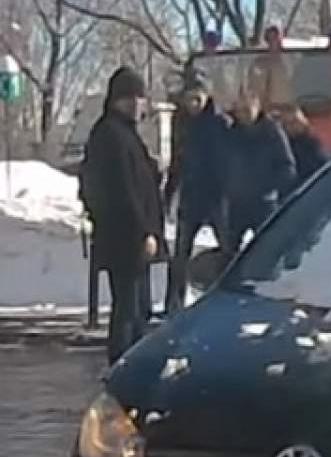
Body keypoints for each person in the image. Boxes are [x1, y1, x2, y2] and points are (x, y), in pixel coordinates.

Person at [78, 67, 166, 363]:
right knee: (129, 311)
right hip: (126, 239)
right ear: (120, 100)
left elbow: (139, 179)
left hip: (127, 238)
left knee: (138, 310)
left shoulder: (123, 133)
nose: (141, 104)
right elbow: (124, 190)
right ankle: (123, 369)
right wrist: (144, 232)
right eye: (135, 98)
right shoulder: (112, 136)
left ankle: (134, 366)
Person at [164, 71, 233, 313]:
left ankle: (228, 299)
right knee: (180, 254)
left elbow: (229, 162)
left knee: (228, 250)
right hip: (191, 194)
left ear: (206, 97)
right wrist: (169, 193)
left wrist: (230, 191)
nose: (193, 104)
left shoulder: (220, 122)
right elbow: (177, 160)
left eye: (197, 98)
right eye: (188, 99)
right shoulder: (181, 122)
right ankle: (173, 305)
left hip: (216, 195)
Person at [226, 91, 297, 250]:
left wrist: (270, 188)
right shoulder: (231, 133)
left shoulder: (271, 131)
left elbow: (287, 166)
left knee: (267, 248)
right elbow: (221, 164)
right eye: (240, 110)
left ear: (257, 107)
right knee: (229, 251)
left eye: (247, 110)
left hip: (263, 204)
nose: (243, 115)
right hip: (237, 204)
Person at [278, 104, 328, 186]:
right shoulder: (281, 146)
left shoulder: (311, 143)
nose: (293, 126)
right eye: (287, 123)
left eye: (295, 121)